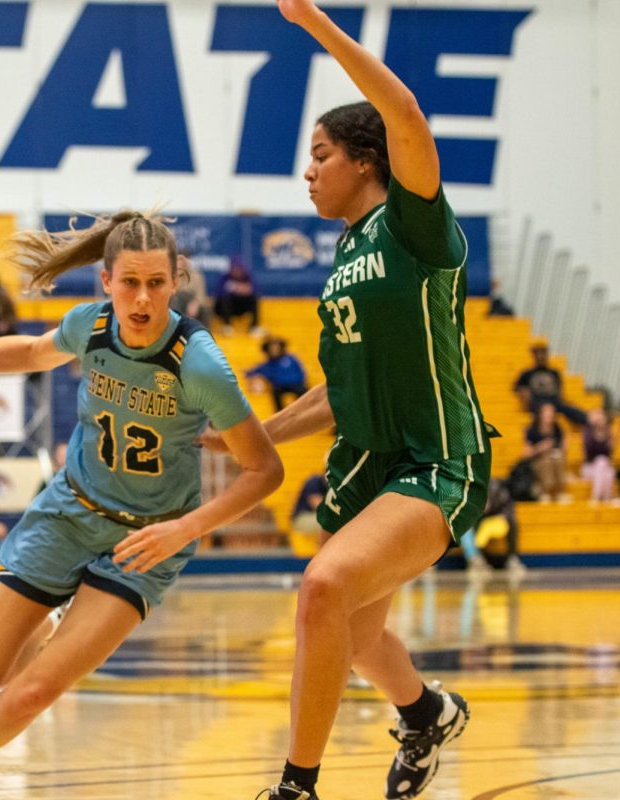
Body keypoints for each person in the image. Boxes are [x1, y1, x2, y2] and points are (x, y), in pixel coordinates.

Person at [0, 211, 282, 800]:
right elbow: (35, 351)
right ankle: (59, 613)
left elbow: (264, 469)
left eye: (157, 284)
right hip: (69, 511)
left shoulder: (199, 364)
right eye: (130, 283)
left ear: (176, 282)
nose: (143, 299)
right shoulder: (89, 327)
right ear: (106, 282)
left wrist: (184, 530)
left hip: (145, 542)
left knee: (36, 691)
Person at [203, 4, 496, 797]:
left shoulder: (414, 227)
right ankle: (427, 711)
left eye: (321, 153)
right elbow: (339, 390)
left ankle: (296, 787)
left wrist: (317, 27)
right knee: (357, 634)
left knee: (324, 590)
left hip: (436, 459)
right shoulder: (345, 254)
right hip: (367, 464)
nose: (309, 170)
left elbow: (403, 112)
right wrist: (251, 431)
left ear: (367, 161)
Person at [513, 342, 587, 426]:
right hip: (537, 402)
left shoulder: (554, 373)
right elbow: (517, 387)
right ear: (534, 356)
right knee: (545, 411)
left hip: (554, 401)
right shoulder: (527, 374)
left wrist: (565, 401)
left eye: (543, 353)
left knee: (571, 409)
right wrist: (524, 392)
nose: (541, 357)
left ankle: (589, 422)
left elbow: (559, 392)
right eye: (538, 354)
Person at [246, 335, 309, 411]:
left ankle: (305, 411)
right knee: (275, 394)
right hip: (279, 388)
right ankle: (280, 415)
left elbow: (301, 373)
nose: (274, 350)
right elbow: (251, 373)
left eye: (276, 347)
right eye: (271, 348)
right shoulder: (267, 365)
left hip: (296, 385)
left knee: (304, 392)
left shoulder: (291, 359)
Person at [523, 402, 567, 501]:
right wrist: (540, 448)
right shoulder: (532, 430)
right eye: (547, 413)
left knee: (558, 459)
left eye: (551, 413)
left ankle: (560, 492)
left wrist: (564, 446)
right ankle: (545, 491)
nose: (549, 416)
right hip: (537, 461)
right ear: (540, 415)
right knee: (546, 461)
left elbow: (562, 447)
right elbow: (526, 453)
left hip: (554, 459)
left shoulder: (557, 429)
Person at [214, 259, 261, 335]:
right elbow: (220, 293)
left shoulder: (248, 277)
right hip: (225, 309)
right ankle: (227, 326)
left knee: (254, 299)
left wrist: (235, 287)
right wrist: (242, 289)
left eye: (239, 269)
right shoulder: (224, 277)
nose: (237, 271)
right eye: (235, 269)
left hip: (241, 308)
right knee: (225, 299)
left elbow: (252, 290)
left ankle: (254, 327)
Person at [581, 408, 614, 501]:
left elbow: (608, 455)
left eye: (602, 418)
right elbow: (590, 451)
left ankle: (606, 499)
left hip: (602, 468)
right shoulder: (588, 432)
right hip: (589, 467)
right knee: (601, 462)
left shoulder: (609, 434)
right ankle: (596, 498)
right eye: (598, 418)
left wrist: (611, 444)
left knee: (610, 472)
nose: (600, 421)